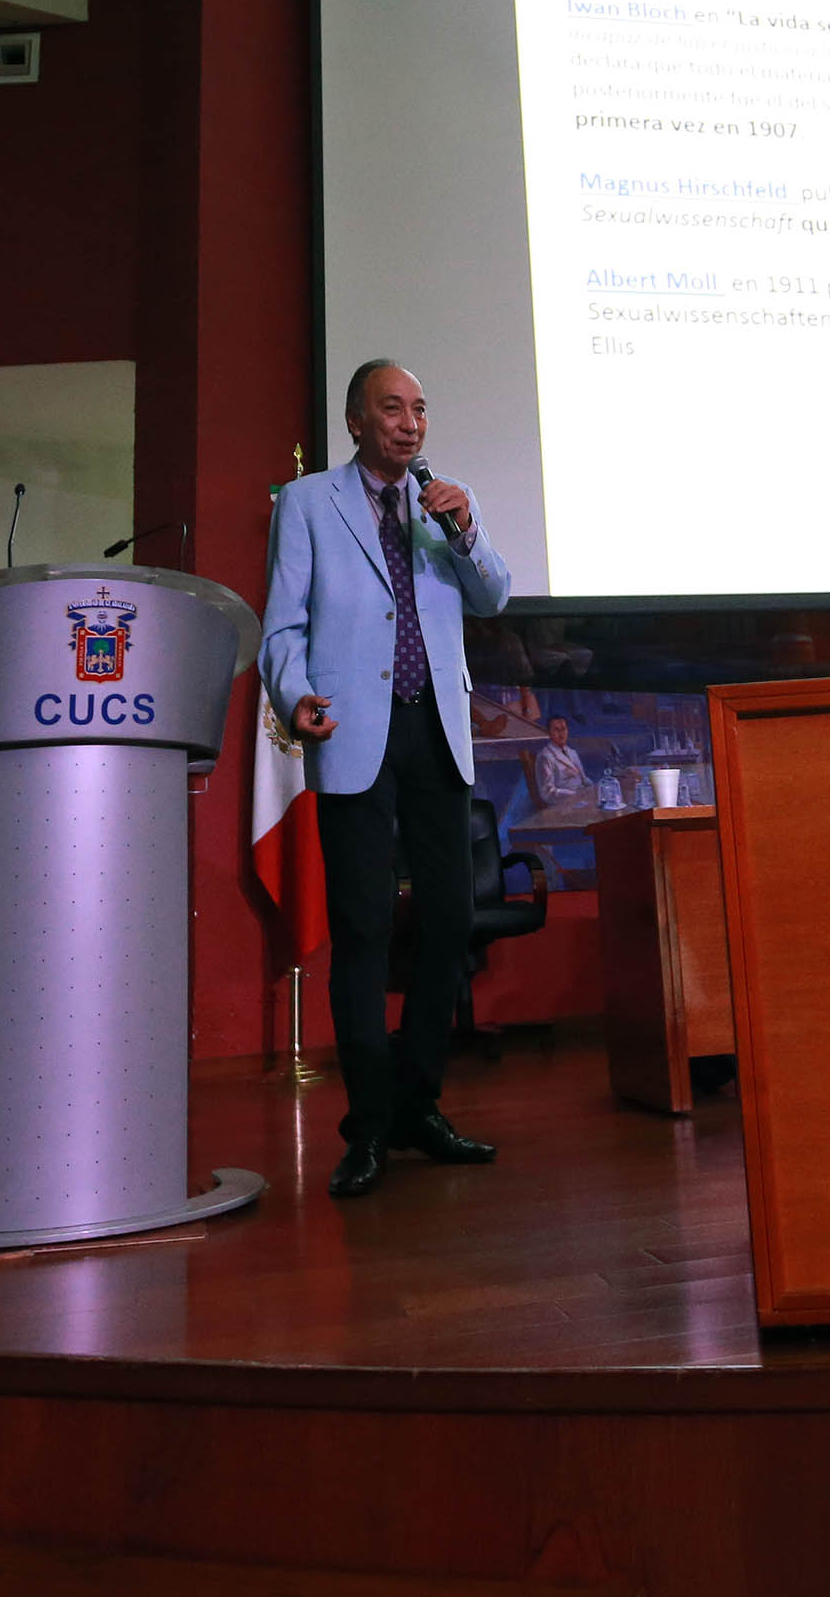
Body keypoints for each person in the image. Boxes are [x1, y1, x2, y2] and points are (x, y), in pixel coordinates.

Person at [260, 358, 516, 1199]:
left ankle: (418, 1105)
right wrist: (294, 695)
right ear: (356, 421)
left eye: (419, 410)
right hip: (353, 728)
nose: (410, 424)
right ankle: (368, 1125)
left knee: (449, 922)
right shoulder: (309, 503)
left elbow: (492, 598)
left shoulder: (445, 503)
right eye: (393, 409)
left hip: (436, 727)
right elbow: (282, 625)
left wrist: (466, 531)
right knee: (364, 928)